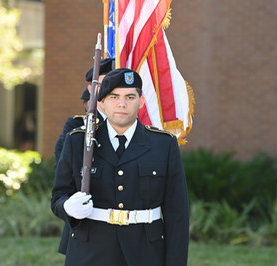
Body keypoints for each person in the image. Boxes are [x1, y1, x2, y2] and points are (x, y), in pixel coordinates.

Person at [51, 68, 190, 265]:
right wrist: (67, 207)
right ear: (101, 102)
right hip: (90, 252)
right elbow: (58, 197)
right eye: (114, 96)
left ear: (141, 102)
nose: (122, 104)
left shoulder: (163, 144)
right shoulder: (78, 141)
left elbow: (178, 215)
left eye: (130, 97)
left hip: (145, 253)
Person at [53, 58, 115, 255]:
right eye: (106, 84)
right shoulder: (75, 129)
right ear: (91, 90)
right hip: (88, 228)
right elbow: (64, 174)